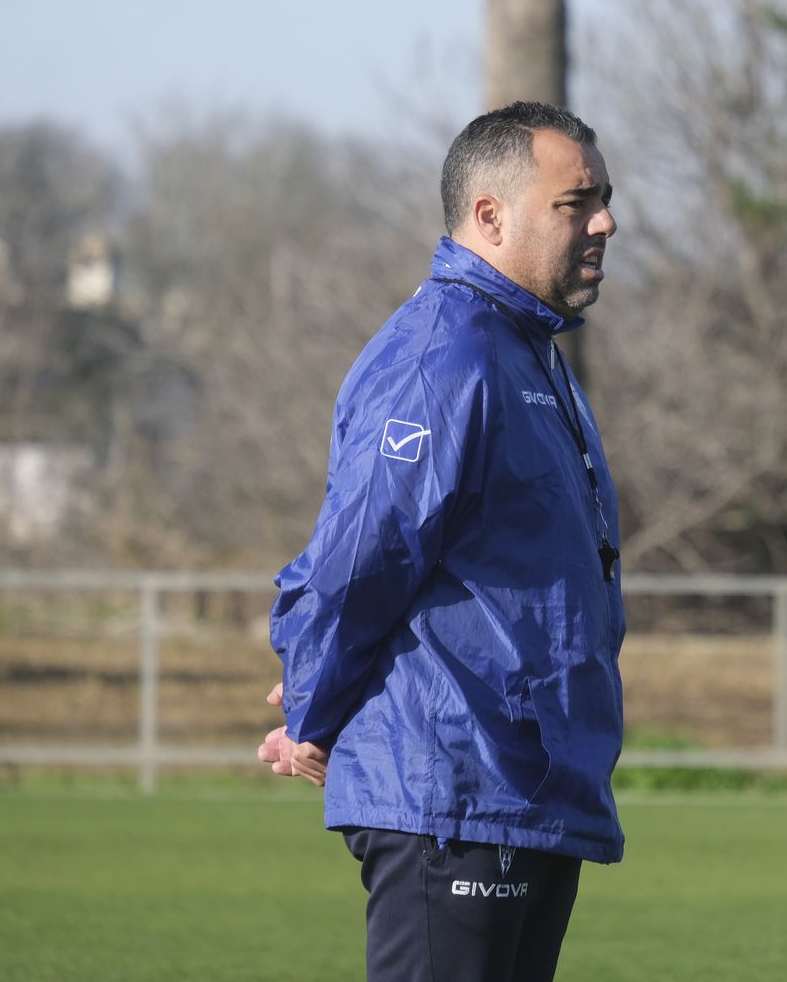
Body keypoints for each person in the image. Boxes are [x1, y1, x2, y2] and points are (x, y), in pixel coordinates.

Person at [255, 100, 626, 982]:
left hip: (528, 793)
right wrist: (311, 705)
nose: (606, 220)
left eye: (605, 197)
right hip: (453, 794)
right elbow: (362, 557)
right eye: (578, 202)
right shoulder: (444, 357)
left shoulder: (529, 354)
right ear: (490, 215)